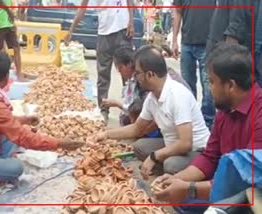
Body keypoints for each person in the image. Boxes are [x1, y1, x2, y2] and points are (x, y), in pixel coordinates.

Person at [153, 43, 262, 213]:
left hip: (253, 195)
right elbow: (210, 156)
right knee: (180, 199)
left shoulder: (259, 113)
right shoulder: (226, 108)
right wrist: (177, 179)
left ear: (230, 86)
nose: (209, 88)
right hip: (230, 185)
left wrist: (189, 188)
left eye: (211, 82)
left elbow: (247, 182)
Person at [0, 51, 84, 188]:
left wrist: (24, 120)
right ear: (6, 76)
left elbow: (1, 120)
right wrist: (59, 143)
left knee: (10, 135)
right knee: (16, 167)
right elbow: (23, 137)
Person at [92, 45, 210, 176]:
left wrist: (154, 156)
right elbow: (137, 128)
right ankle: (165, 170)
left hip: (195, 149)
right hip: (172, 143)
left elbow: (185, 144)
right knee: (140, 147)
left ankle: (176, 173)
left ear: (150, 75)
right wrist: (106, 134)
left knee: (171, 164)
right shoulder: (152, 97)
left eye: (137, 73)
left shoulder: (177, 95)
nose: (135, 78)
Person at [64, 0, 135, 125]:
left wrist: (131, 22)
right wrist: (71, 31)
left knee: (128, 73)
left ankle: (129, 109)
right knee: (103, 75)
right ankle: (104, 110)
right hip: (104, 33)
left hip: (122, 30)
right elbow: (82, 9)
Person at [172, 0, 216, 130]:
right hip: (187, 43)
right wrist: (174, 40)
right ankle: (190, 120)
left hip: (207, 44)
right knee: (186, 87)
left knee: (208, 87)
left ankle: (208, 123)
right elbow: (178, 13)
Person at [0, 0, 25, 81]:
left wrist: (13, 21)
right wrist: (9, 12)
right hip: (0, 24)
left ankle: (19, 73)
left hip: (9, 23)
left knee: (16, 48)